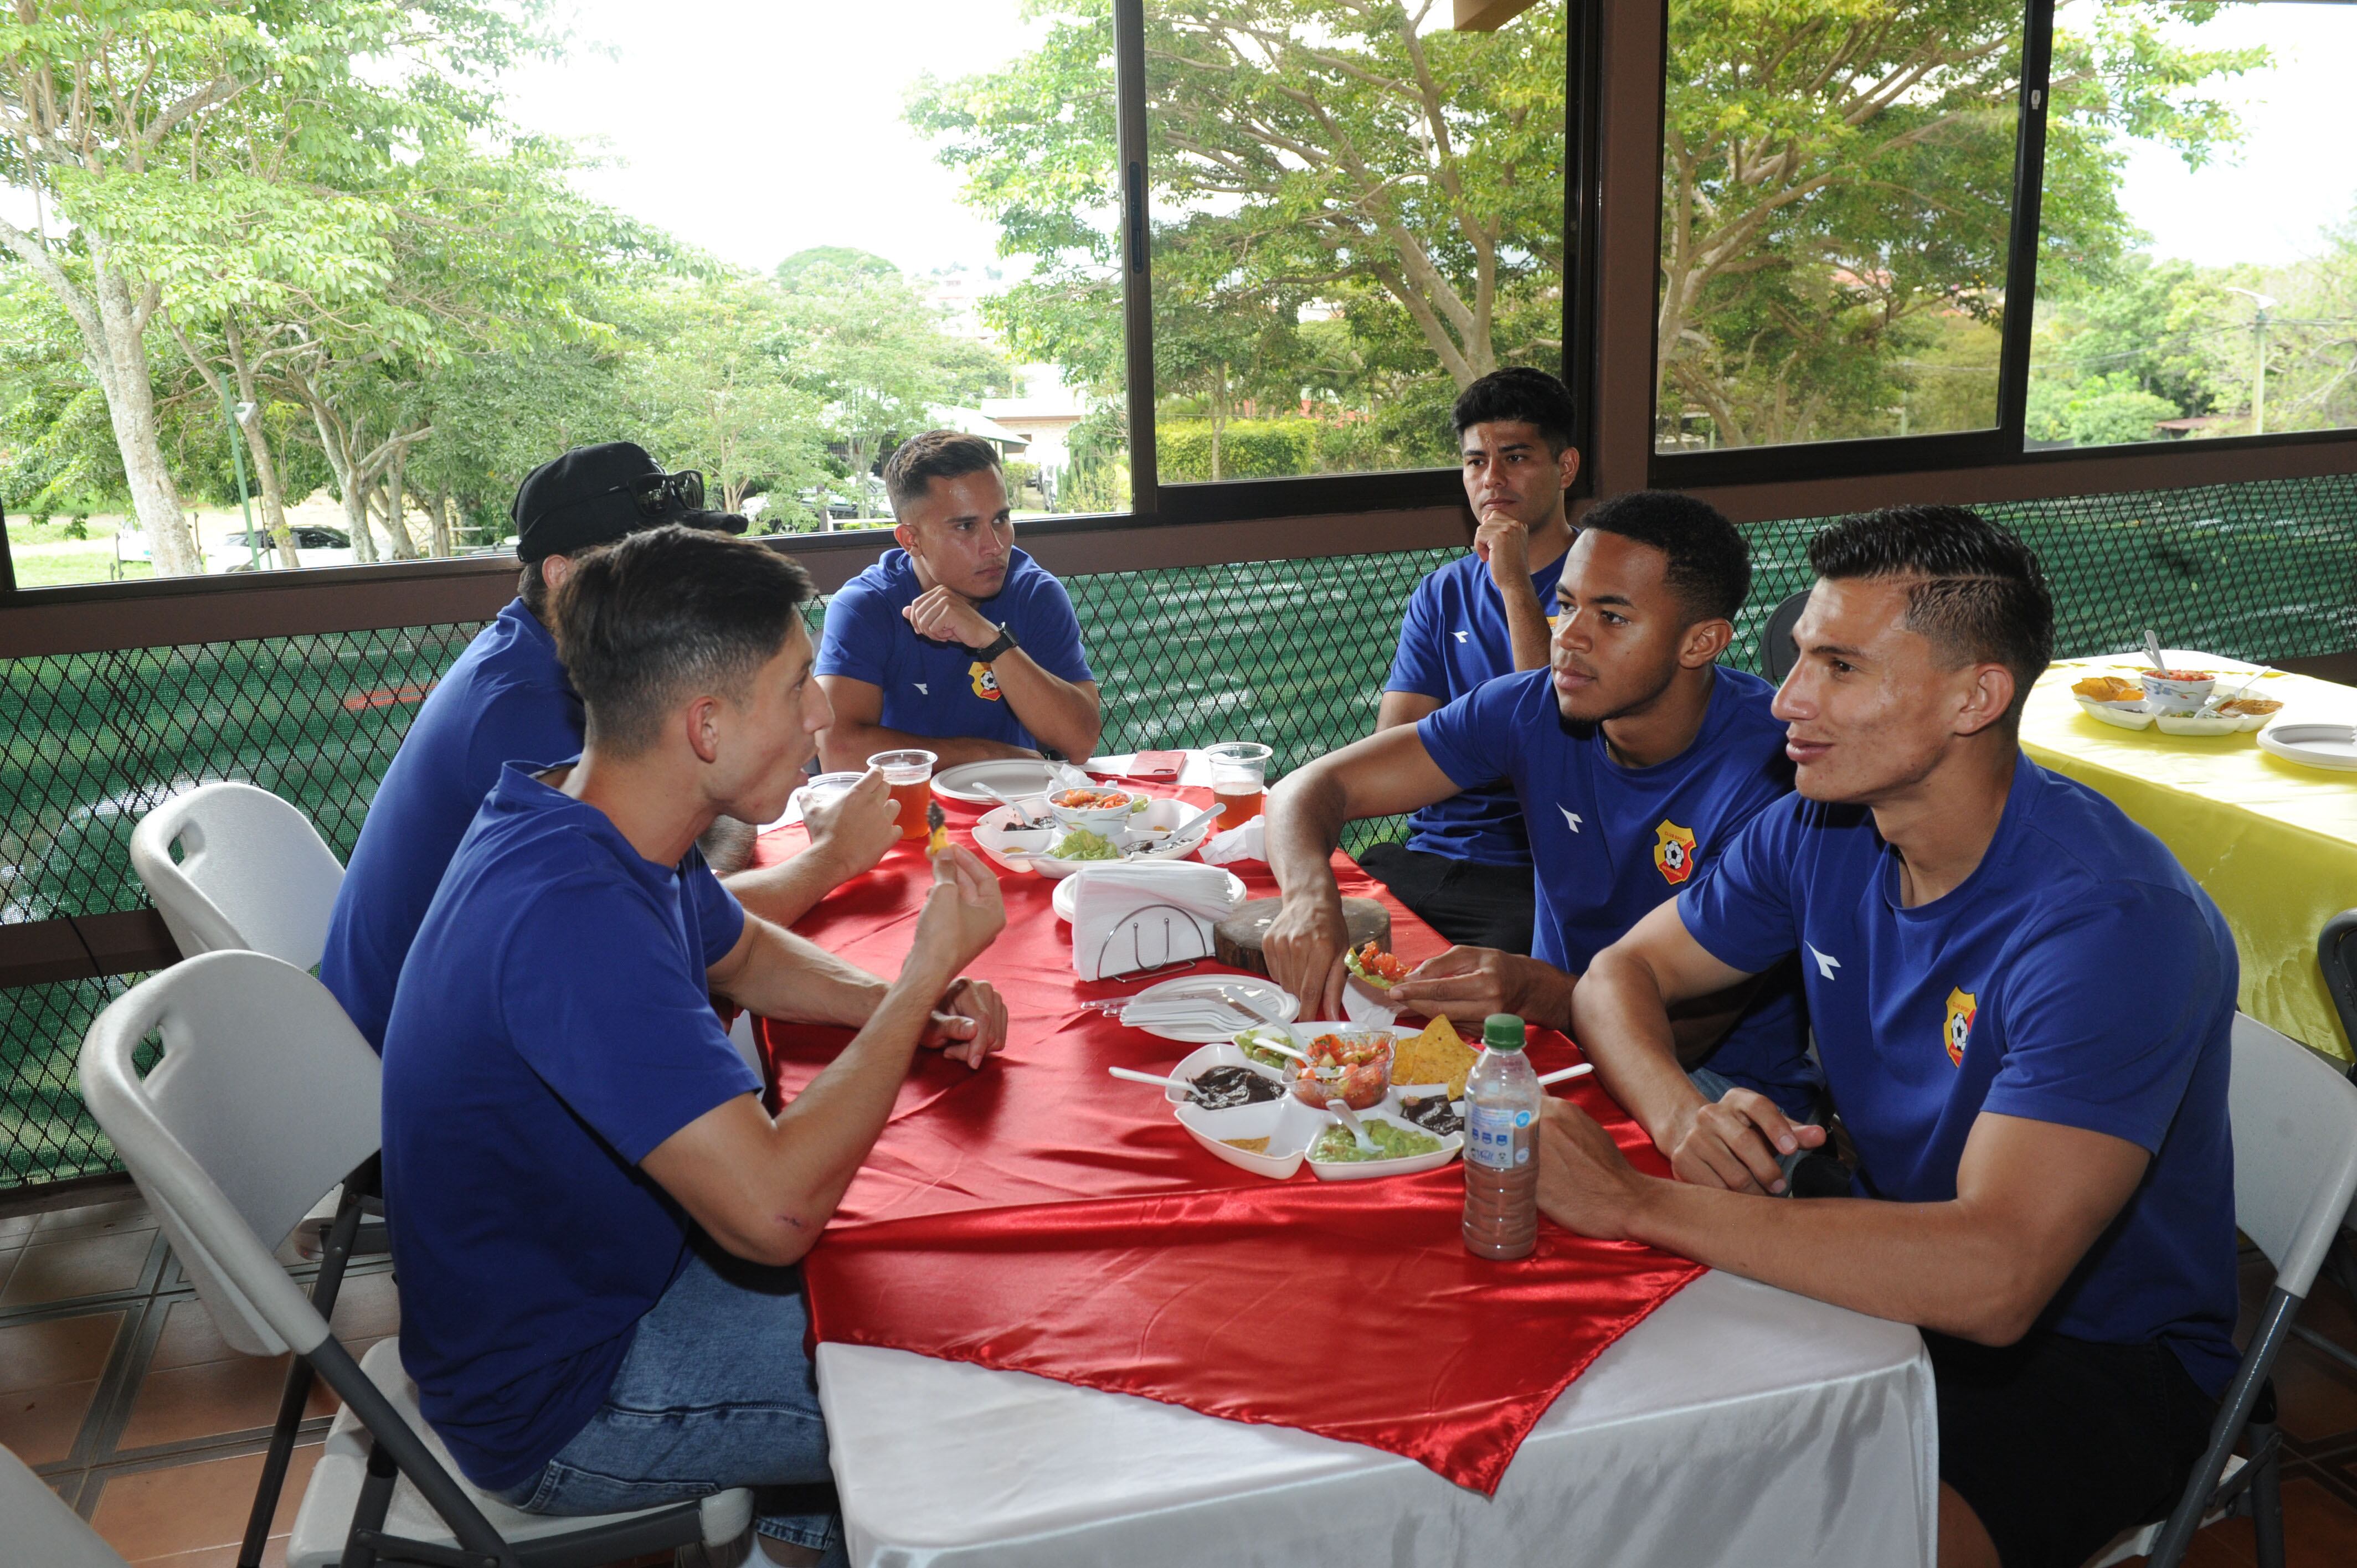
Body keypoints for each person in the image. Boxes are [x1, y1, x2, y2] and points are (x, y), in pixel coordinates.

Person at [1541, 507, 2237, 1568]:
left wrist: (1634, 1200)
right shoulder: (1820, 822)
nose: (1786, 699)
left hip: (2091, 1354)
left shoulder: (2110, 922)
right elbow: (1617, 976)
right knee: (1595, 1452)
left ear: (1975, 697)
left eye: (1839, 667)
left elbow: (1995, 1276)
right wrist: (1681, 1118)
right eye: (1799, 656)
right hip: (1882, 1249)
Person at [380, 525, 1010, 1567]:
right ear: (706, 726)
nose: (823, 713)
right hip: (570, 1395)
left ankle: (800, 1541)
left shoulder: (596, 814)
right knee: (978, 1394)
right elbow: (775, 1216)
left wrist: (907, 1003)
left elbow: (742, 950)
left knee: (934, 1262)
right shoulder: (570, 918)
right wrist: (913, 990)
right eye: (798, 685)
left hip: (634, 1281)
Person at [1263, 491, 1820, 1147]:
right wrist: (1308, 898)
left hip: (1711, 1092)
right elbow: (1309, 787)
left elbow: (1683, 1035)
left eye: (1611, 617)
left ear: (1701, 642)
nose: (1569, 637)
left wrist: (1534, 992)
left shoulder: (1778, 777)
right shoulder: (1532, 707)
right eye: (1565, 604)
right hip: (1542, 1046)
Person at [319, 442, 900, 1051]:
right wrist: (831, 858)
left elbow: (705, 916)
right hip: (405, 1058)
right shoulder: (535, 708)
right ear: (565, 579)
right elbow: (663, 928)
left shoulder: (574, 670)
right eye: (653, 571)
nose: (692, 592)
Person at [1365, 366, 1582, 952]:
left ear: (1565, 467)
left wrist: (1512, 583)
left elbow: (1546, 735)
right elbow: (1394, 748)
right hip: (1429, 854)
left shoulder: (1603, 586)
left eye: (1516, 457)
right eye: (1475, 461)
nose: (1492, 479)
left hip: (1538, 871)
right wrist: (1486, 752)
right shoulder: (1442, 592)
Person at [814, 430, 1101, 771]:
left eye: (1000, 519)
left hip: (1015, 799)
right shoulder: (865, 607)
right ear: (911, 540)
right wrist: (987, 755)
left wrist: (993, 641)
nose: (995, 546)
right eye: (966, 526)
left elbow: (1080, 743)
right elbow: (839, 754)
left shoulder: (1034, 594)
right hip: (904, 801)